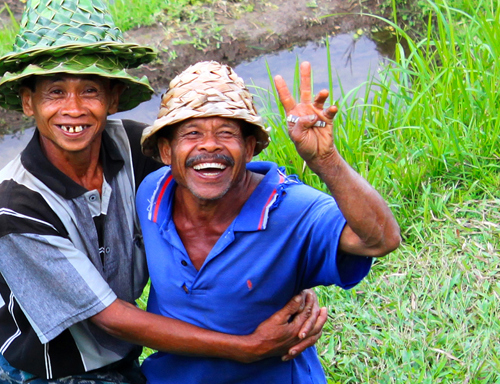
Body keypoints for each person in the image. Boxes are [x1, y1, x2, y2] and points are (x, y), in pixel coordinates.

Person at [0, 0, 327, 383]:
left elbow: (222, 190)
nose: (73, 109)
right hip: (53, 367)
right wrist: (246, 347)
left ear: (112, 98)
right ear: (28, 102)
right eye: (55, 92)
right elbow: (111, 318)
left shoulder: (133, 147)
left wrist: (285, 274)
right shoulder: (16, 209)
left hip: (121, 348)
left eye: (89, 90)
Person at [134, 61, 402, 383]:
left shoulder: (291, 209)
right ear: (166, 151)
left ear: (249, 148)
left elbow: (381, 239)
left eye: (226, 133)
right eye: (192, 133)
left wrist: (325, 160)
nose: (209, 145)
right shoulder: (152, 194)